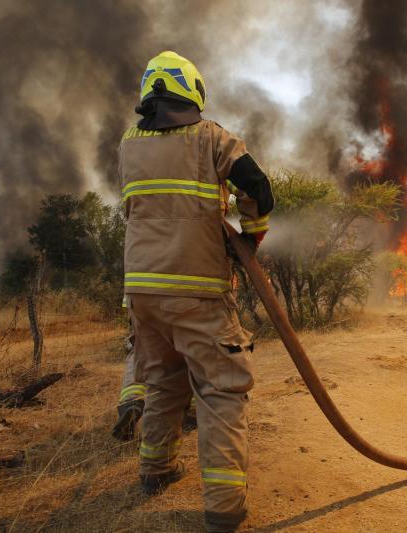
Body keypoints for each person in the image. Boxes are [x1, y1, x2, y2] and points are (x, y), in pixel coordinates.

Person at [118, 50, 273, 533]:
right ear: (194, 93)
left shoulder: (128, 143)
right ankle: (225, 508)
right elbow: (259, 188)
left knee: (163, 381)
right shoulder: (211, 138)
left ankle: (155, 468)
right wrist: (250, 236)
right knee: (222, 390)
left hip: (142, 292)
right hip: (198, 291)